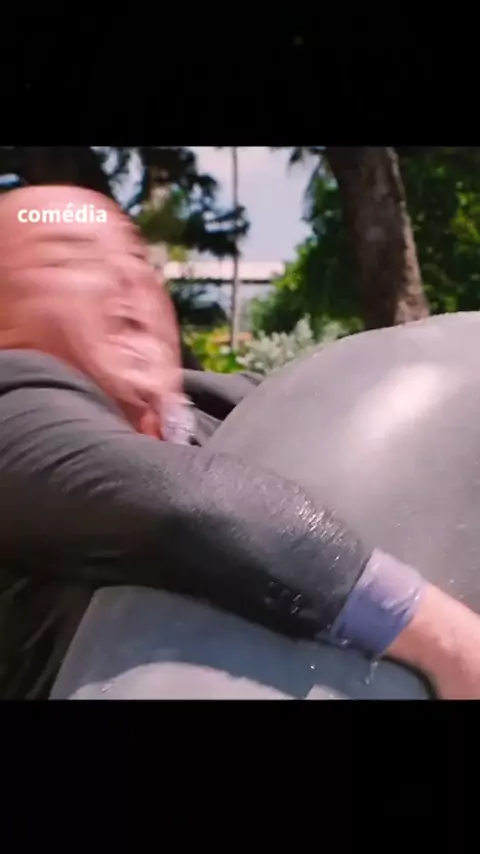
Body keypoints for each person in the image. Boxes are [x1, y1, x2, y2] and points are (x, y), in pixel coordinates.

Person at [0, 184, 479, 700]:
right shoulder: (13, 404)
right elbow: (180, 502)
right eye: (69, 258)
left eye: (137, 257)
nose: (125, 277)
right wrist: (443, 638)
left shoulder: (231, 408)